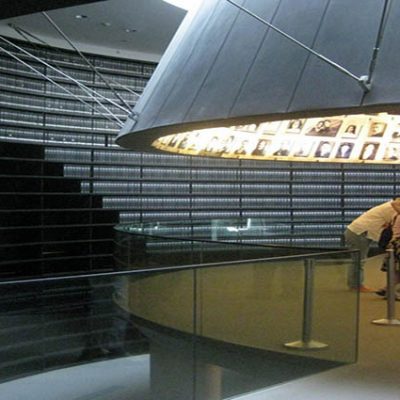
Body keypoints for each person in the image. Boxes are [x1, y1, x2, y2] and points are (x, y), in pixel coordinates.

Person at [344, 198, 400, 292]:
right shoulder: (393, 207)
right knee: (359, 260)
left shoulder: (390, 207)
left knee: (359, 260)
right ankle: (355, 285)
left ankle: (354, 284)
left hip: (360, 232)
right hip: (359, 232)